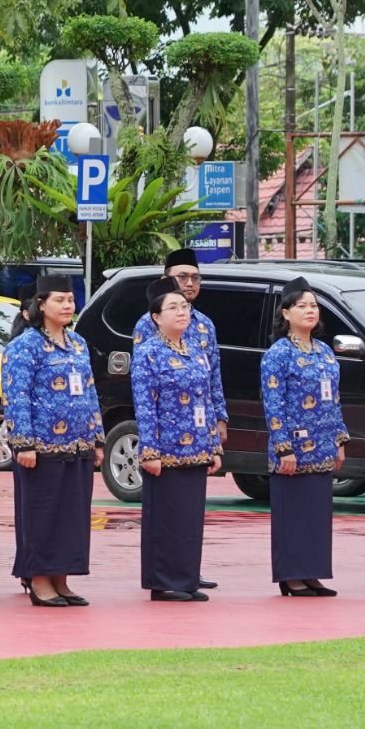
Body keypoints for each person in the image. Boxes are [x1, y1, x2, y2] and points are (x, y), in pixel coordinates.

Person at [0, 275, 101, 608]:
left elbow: (90, 391)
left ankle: (62, 580)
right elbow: (16, 396)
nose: (67, 305)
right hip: (42, 447)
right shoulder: (25, 346)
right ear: (41, 304)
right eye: (60, 300)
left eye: (71, 299)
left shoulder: (78, 343)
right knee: (43, 514)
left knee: (72, 515)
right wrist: (24, 443)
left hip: (78, 443)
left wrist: (97, 437)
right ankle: (40, 580)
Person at [133, 248, 227, 594]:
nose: (188, 286)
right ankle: (165, 578)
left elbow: (213, 378)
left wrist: (219, 421)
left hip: (197, 434)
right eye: (181, 278)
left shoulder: (201, 332)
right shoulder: (148, 332)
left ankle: (186, 574)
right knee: (167, 512)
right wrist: (150, 448)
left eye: (194, 278)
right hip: (166, 438)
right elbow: (145, 396)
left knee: (189, 514)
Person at [261, 277, 346, 597]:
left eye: (313, 305)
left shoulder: (324, 351)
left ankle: (311, 573)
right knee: (292, 513)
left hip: (323, 445)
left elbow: (334, 399)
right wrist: (284, 448)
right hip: (293, 447)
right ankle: (291, 576)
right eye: (302, 306)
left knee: (316, 514)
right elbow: (273, 403)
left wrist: (339, 439)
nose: (310, 311)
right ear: (286, 313)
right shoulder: (278, 354)